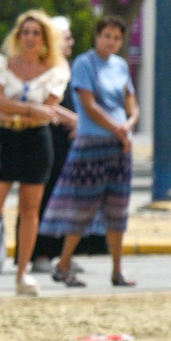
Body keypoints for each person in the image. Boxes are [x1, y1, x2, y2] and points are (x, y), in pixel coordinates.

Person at [0, 10, 77, 297]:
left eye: (36, 33)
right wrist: (29, 109)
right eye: (25, 32)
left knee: (29, 209)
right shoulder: (1, 64)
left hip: (36, 141)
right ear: (18, 36)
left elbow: (48, 109)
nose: (30, 38)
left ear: (45, 39)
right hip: (5, 138)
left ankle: (22, 273)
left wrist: (16, 109)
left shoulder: (57, 70)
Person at [41, 16, 140, 288]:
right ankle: (64, 263)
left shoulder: (120, 66)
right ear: (97, 36)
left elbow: (131, 101)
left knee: (118, 207)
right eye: (107, 35)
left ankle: (117, 269)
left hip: (119, 145)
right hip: (92, 144)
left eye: (117, 38)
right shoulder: (84, 64)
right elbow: (89, 105)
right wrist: (117, 129)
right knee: (83, 207)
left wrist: (129, 124)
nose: (111, 42)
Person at [30, 16, 106, 272]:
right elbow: (44, 104)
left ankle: (64, 255)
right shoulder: (44, 68)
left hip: (70, 143)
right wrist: (74, 120)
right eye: (66, 37)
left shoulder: (70, 67)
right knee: (46, 197)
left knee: (69, 201)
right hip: (48, 140)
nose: (71, 42)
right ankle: (41, 254)